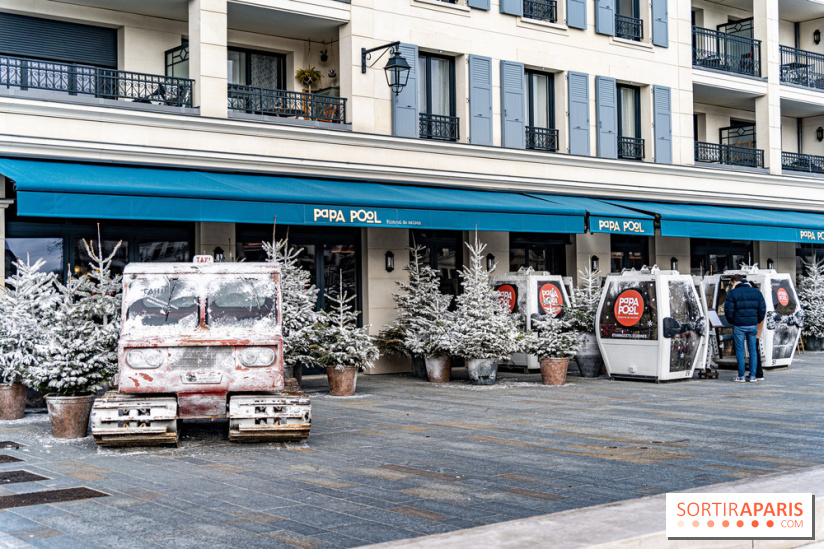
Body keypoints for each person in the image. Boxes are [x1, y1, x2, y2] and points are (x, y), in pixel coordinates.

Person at [724, 274, 766, 382]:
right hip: (752, 325)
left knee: (740, 351)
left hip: (739, 326)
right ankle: (753, 376)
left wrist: (732, 321)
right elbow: (762, 309)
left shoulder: (732, 293)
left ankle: (741, 376)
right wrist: (757, 320)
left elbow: (728, 310)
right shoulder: (757, 292)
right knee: (752, 350)